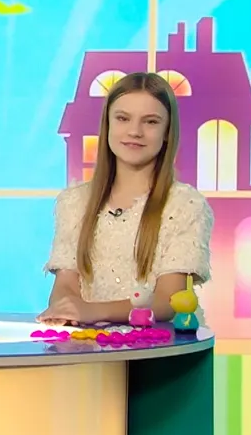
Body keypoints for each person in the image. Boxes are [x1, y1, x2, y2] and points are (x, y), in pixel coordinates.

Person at [38, 71, 213, 326]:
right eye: (123, 118)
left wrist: (94, 311)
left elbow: (168, 300)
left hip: (161, 345)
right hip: (87, 344)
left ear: (167, 131)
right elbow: (65, 284)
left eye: (150, 122)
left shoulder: (185, 205)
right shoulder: (74, 202)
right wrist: (67, 309)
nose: (134, 131)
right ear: (108, 125)